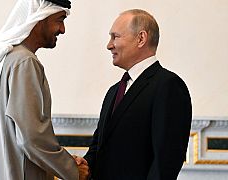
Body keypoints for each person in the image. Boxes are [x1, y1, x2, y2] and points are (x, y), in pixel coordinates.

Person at [0, 0, 89, 179]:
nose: (62, 29)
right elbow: (32, 138)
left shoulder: (6, 58)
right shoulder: (25, 62)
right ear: (40, 17)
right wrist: (71, 169)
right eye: (59, 20)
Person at [75, 9, 192, 179]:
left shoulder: (169, 86)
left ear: (141, 38)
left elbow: (165, 163)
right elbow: (99, 148)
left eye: (115, 36)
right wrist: (85, 164)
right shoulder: (114, 91)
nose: (109, 45)